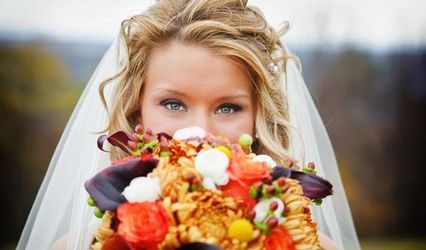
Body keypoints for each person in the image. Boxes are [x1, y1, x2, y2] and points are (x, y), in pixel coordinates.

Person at [17, 0, 360, 249]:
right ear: (137, 111)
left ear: (259, 117)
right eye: (173, 103)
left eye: (228, 107)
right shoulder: (77, 246)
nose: (199, 133)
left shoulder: (309, 245)